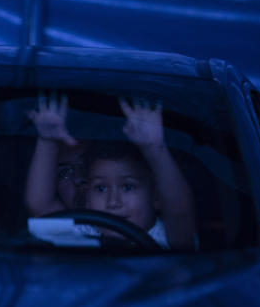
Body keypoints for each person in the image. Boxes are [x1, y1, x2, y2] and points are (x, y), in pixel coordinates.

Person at [24, 93, 196, 249]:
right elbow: (40, 206)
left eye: (128, 187)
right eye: (101, 188)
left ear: (156, 196)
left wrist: (155, 150)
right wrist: (47, 141)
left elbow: (180, 211)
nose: (113, 202)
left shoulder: (166, 237)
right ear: (87, 199)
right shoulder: (84, 230)